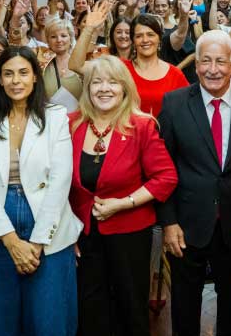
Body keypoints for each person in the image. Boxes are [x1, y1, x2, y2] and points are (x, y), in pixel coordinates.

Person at [0, 47, 82, 336]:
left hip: (48, 220)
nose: (16, 80)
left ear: (34, 78)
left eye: (23, 72)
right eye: (8, 74)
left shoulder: (54, 116)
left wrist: (39, 241)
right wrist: (11, 241)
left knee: (48, 319)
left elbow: (60, 178)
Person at [158, 30, 231, 336]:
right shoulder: (175, 103)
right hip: (186, 224)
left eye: (221, 61)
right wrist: (168, 222)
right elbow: (163, 168)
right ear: (196, 66)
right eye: (205, 61)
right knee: (184, 301)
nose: (213, 69)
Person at [69, 55, 177, 336]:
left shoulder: (142, 126)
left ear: (125, 88)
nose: (104, 89)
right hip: (84, 237)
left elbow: (165, 178)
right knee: (90, 310)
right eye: (97, 83)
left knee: (128, 310)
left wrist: (123, 203)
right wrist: (66, 230)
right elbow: (58, 183)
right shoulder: (71, 125)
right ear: (87, 89)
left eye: (113, 82)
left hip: (130, 236)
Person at [70, 3, 188, 117]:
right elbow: (76, 66)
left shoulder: (174, 74)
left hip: (162, 136)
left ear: (159, 39)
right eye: (139, 36)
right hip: (126, 135)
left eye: (150, 35)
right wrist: (89, 28)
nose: (145, 40)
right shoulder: (120, 68)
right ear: (133, 40)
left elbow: (188, 108)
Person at [40, 19, 82, 111]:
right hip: (50, 120)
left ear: (71, 38)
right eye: (53, 37)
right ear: (48, 41)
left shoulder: (80, 62)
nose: (59, 40)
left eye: (63, 36)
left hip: (77, 120)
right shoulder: (41, 64)